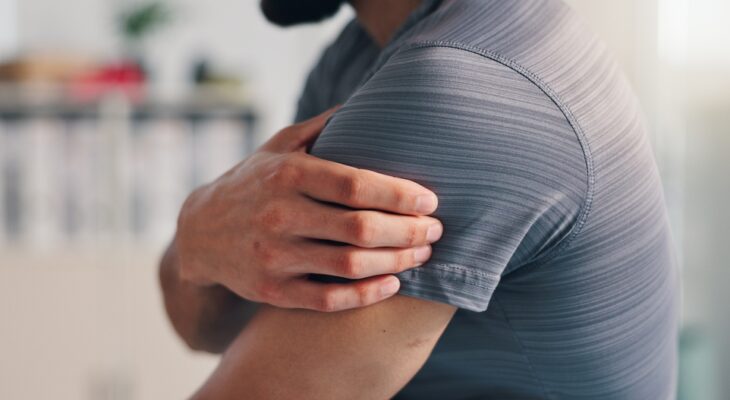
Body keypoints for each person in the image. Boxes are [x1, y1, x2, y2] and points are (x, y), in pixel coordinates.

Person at [159, 0, 679, 398]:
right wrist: (199, 230)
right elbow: (209, 327)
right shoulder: (360, 53)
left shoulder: (457, 86)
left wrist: (200, 242)